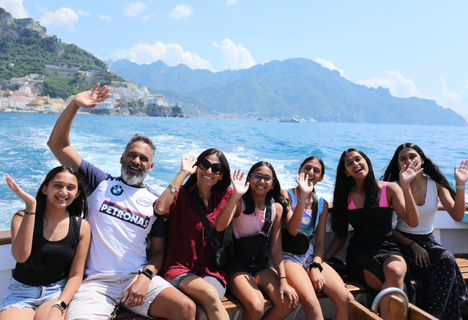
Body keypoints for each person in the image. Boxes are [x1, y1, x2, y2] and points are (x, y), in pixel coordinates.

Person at [47, 84, 195, 320]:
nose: (136, 161)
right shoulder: (98, 182)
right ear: (121, 158)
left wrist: (145, 279)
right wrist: (74, 105)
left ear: (151, 167)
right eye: (132, 155)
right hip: (95, 282)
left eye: (143, 159)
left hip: (135, 279)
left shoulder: (157, 202)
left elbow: (158, 253)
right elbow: (58, 144)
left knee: (186, 309)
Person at [326, 148, 420, 320]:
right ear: (346, 172)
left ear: (367, 161)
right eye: (349, 163)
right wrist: (322, 260)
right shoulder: (345, 197)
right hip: (360, 253)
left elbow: (413, 222)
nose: (355, 164)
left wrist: (405, 186)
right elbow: (340, 235)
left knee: (396, 274)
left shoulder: (390, 188)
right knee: (394, 287)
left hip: (389, 247)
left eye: (358, 159)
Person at [382, 143, 468, 319]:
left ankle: (433, 315)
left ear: (422, 159)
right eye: (403, 158)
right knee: (436, 271)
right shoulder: (393, 186)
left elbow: (457, 215)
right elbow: (387, 229)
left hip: (428, 241)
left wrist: (460, 185)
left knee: (447, 259)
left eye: (413, 156)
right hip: (402, 242)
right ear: (398, 165)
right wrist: (413, 245)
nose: (409, 160)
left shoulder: (435, 184)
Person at [0, 166, 91, 320]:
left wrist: (60, 304)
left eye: (70, 188)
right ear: (45, 189)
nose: (63, 191)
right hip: (20, 292)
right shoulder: (21, 218)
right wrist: (31, 207)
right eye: (57, 185)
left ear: (77, 194)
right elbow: (21, 257)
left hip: (56, 293)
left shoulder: (81, 227)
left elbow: (76, 275)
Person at [154, 149, 233, 320]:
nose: (209, 171)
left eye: (216, 168)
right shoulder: (181, 194)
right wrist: (182, 173)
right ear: (197, 167)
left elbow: (252, 208)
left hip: (210, 271)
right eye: (204, 165)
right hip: (179, 269)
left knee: (203, 315)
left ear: (221, 175)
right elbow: (160, 209)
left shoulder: (227, 196)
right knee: (211, 295)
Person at [215, 161, 299, 320]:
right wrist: (236, 195)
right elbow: (219, 226)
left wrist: (283, 281)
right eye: (257, 176)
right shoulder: (240, 204)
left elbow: (275, 249)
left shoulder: (276, 209)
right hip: (237, 266)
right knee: (256, 306)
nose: (262, 181)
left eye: (267, 178)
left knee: (287, 302)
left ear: (273, 184)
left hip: (261, 264)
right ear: (249, 179)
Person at [281, 156, 353, 320]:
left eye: (316, 171)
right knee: (312, 304)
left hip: (310, 255)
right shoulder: (285, 195)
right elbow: (292, 230)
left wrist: (316, 265)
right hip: (288, 257)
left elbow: (320, 242)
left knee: (347, 299)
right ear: (300, 171)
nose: (310, 172)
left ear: (321, 178)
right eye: (307, 168)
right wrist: (303, 197)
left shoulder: (322, 203)